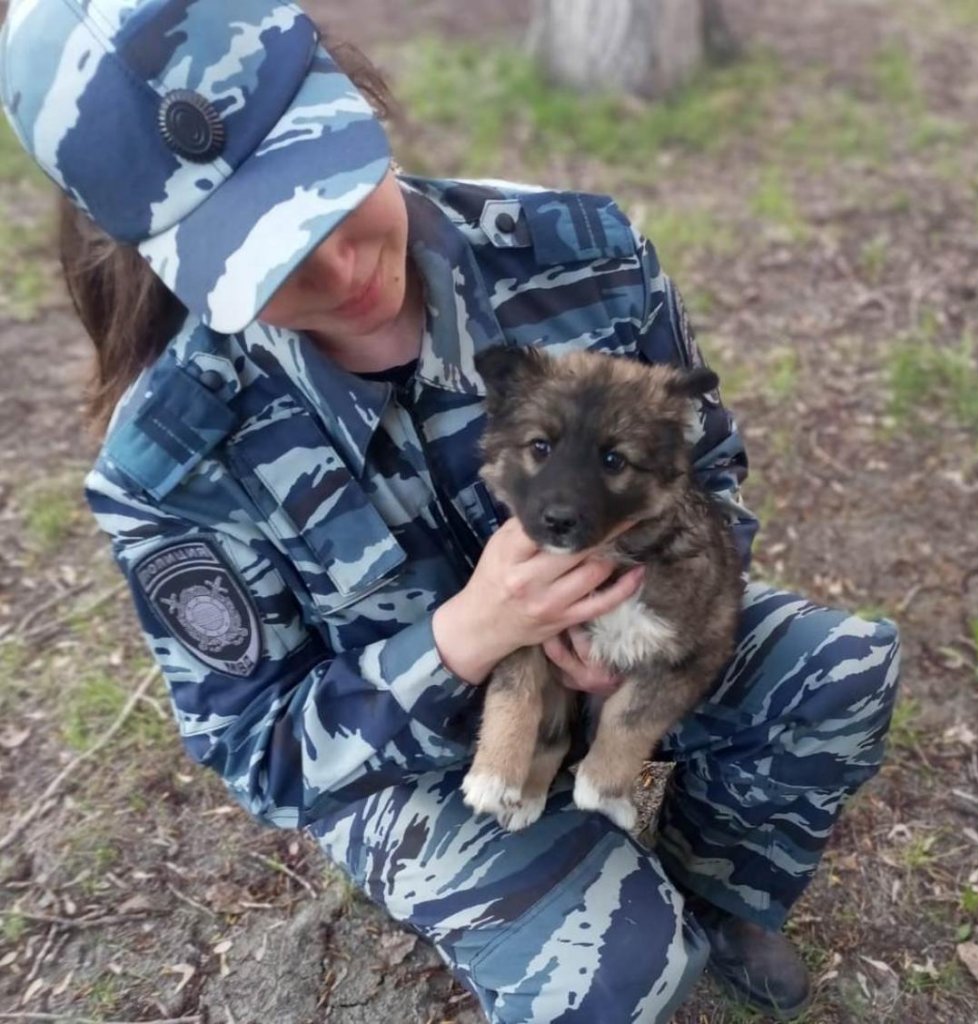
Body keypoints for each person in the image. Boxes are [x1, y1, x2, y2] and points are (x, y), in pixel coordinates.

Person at [0, 1, 901, 1021]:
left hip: (643, 650)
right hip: (416, 762)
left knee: (839, 667)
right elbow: (265, 749)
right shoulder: (171, 463)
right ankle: (587, 878)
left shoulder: (583, 256)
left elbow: (715, 471)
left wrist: (648, 627)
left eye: (327, 196)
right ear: (161, 258)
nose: (341, 271)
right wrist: (469, 638)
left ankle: (717, 887)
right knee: (609, 969)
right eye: (263, 261)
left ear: (362, 107)